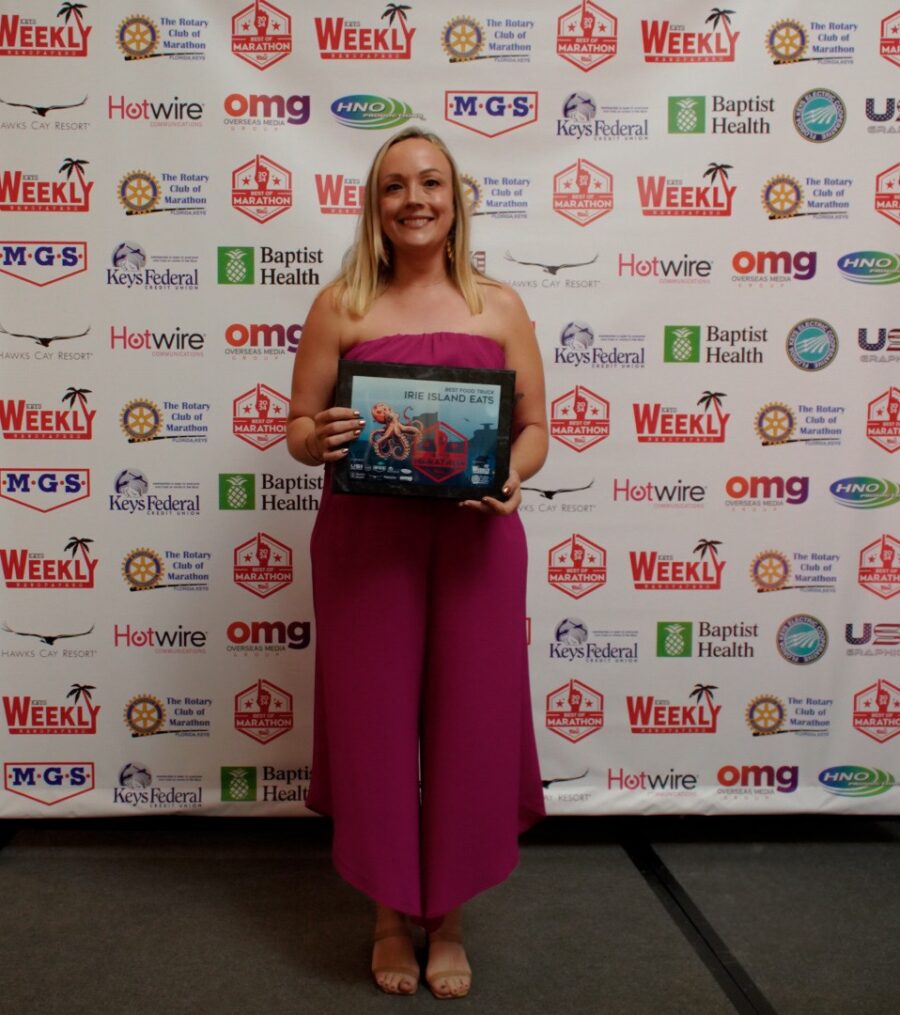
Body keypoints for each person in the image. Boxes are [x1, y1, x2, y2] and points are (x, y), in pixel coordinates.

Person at [287, 127, 547, 999]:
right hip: (366, 546)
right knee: (375, 725)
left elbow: (536, 428)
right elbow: (296, 428)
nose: (414, 199)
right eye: (395, 185)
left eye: (430, 182)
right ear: (375, 203)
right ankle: (390, 914)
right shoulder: (341, 306)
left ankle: (453, 917)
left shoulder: (501, 306)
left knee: (472, 725)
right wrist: (314, 436)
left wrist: (510, 471)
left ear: (456, 196)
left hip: (477, 541)